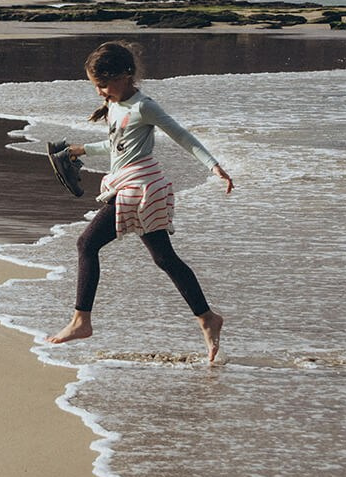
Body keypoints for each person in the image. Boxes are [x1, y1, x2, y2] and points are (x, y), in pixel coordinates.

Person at [48, 41, 233, 364]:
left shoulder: (144, 107)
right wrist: (80, 150)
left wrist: (213, 166)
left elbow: (181, 135)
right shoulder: (116, 106)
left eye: (103, 85)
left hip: (140, 187)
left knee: (86, 244)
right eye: (95, 86)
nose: (100, 92)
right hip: (132, 184)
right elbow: (116, 147)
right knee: (164, 258)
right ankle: (207, 318)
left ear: (125, 75)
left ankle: (81, 321)